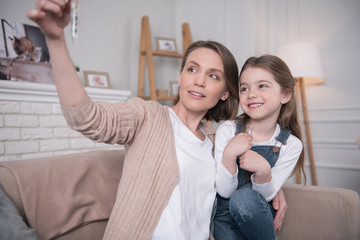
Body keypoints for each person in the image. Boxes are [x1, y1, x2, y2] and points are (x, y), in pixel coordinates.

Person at [26, 1, 287, 239]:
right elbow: (85, 118)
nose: (198, 80)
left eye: (213, 76)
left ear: (225, 93)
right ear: (181, 77)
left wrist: (273, 188)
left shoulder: (217, 140)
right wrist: (56, 39)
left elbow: (238, 179)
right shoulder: (148, 117)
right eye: (192, 69)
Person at [212, 54, 306, 240]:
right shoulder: (227, 130)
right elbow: (224, 191)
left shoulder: (291, 144)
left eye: (262, 85)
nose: (251, 94)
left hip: (257, 216)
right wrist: (230, 154)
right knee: (235, 197)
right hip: (223, 217)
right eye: (244, 88)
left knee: (243, 198)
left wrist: (263, 171)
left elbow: (267, 195)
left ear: (285, 95)